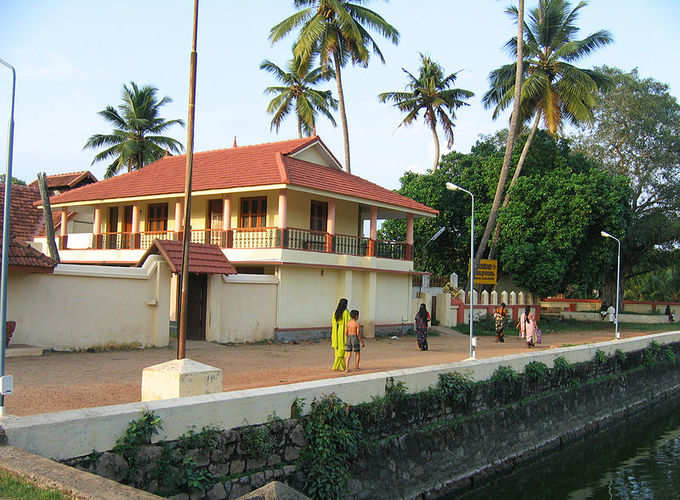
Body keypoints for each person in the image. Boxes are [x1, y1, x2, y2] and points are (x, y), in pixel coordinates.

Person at [331, 298, 350, 371]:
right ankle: (335, 366)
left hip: (336, 332)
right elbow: (348, 322)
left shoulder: (336, 312)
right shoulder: (346, 312)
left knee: (337, 350)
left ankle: (343, 367)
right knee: (341, 351)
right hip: (342, 333)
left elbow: (333, 322)